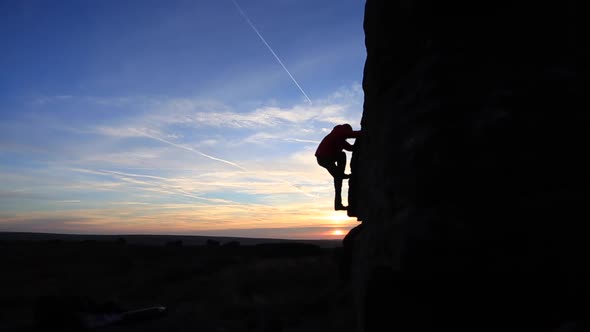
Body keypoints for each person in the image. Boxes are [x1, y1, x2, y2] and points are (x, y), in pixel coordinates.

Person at [315, 123, 361, 211]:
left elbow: (350, 148)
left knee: (338, 178)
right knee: (342, 156)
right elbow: (353, 134)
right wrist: (366, 132)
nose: (347, 137)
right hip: (325, 157)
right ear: (346, 129)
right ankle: (341, 174)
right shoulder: (339, 131)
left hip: (323, 158)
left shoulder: (338, 138)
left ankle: (338, 205)